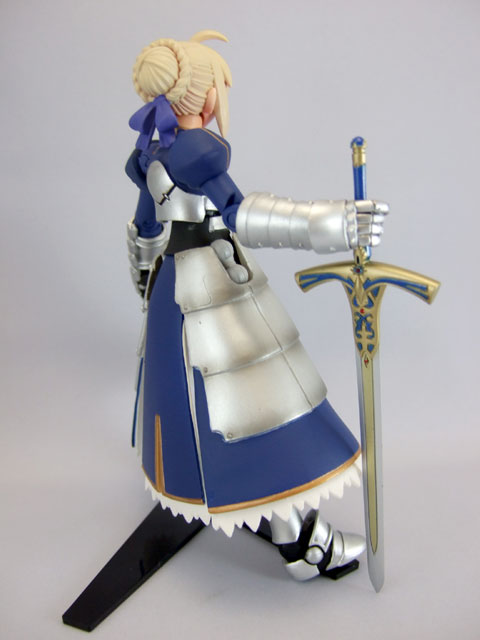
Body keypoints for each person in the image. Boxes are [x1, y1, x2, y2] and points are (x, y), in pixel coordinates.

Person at [125, 30, 388, 581]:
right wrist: (333, 223)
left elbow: (145, 231)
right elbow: (241, 215)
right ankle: (302, 544)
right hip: (212, 291)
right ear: (205, 94)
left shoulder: (152, 153)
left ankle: (264, 515)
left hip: (172, 293)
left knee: (207, 411)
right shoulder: (192, 151)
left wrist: (146, 281)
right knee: (265, 411)